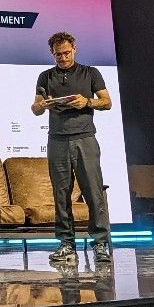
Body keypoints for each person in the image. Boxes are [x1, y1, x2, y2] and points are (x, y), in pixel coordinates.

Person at [31, 31, 113, 265]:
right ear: (52, 53)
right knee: (61, 194)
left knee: (93, 192)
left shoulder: (90, 73)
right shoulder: (45, 76)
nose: (63, 58)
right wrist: (41, 105)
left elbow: (107, 102)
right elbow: (36, 108)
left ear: (74, 49)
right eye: (58, 55)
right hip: (57, 140)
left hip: (85, 139)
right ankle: (67, 244)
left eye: (66, 53)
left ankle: (100, 244)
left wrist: (87, 102)